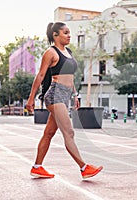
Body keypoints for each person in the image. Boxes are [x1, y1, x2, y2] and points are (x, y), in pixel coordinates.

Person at [26, 22, 103, 179]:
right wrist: (31, 99)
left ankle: (37, 167)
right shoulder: (51, 53)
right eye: (65, 33)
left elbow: (70, 76)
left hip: (65, 95)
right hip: (55, 95)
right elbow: (40, 75)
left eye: (69, 33)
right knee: (69, 131)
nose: (69, 36)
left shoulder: (68, 51)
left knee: (49, 133)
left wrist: (75, 95)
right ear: (55, 35)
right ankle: (84, 167)